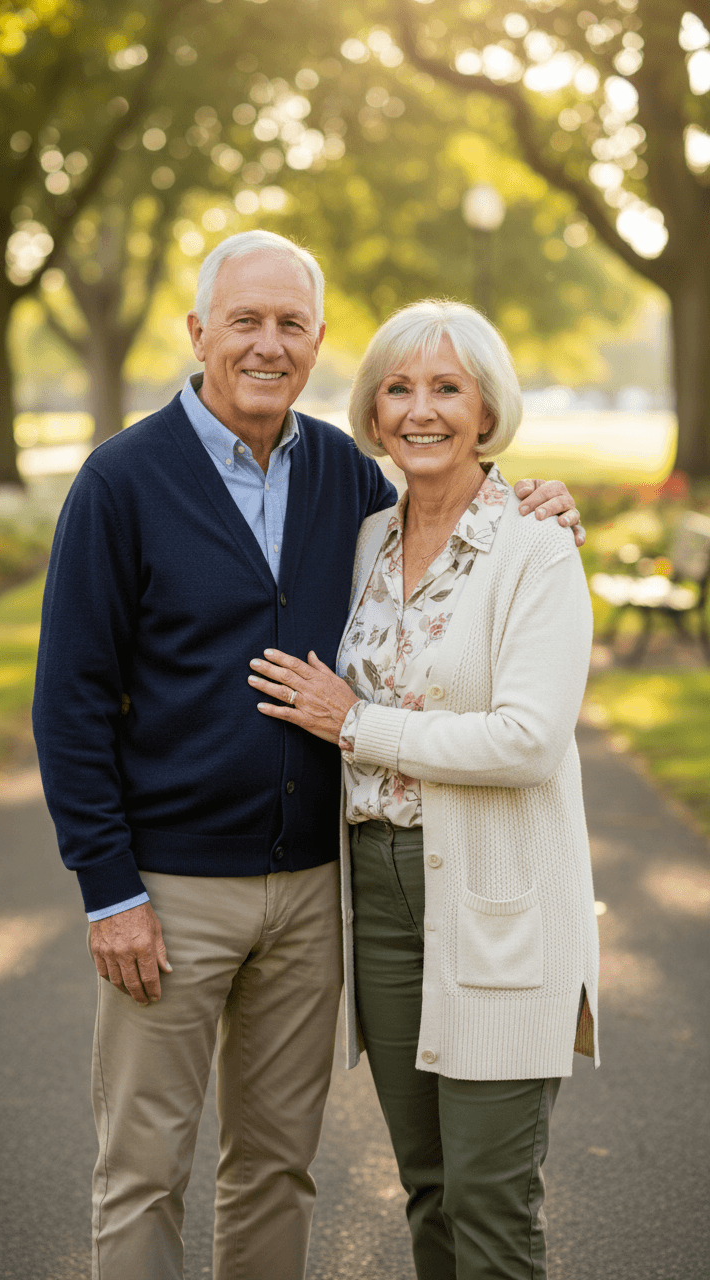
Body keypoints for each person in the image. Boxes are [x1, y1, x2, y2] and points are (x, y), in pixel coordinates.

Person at [33, 232, 585, 1280]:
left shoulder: (345, 474)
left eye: (291, 324)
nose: (268, 344)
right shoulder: (122, 480)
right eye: (245, 320)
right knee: (144, 1169)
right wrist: (109, 890)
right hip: (170, 891)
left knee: (277, 1168)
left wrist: (537, 504)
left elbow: (458, 523)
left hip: (312, 895)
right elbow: (68, 702)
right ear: (199, 333)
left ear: (321, 343)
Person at [249, 299, 599, 1280]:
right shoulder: (362, 543)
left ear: (487, 409)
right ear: (371, 412)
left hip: (499, 902)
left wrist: (355, 723)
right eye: (398, 388)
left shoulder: (536, 546)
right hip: (384, 901)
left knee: (492, 1203)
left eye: (447, 387)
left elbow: (528, 741)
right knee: (430, 1189)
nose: (422, 410)